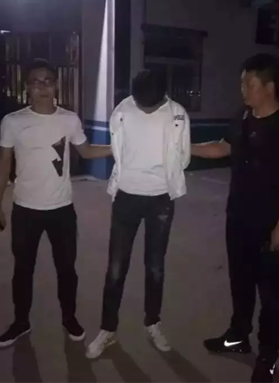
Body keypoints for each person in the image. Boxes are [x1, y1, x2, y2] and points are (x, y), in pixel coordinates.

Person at [191, 54, 279, 383]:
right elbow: (222, 147)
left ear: (269, 87)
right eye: (242, 83)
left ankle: (268, 355)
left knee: (270, 293)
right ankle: (238, 336)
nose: (243, 89)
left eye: (249, 84)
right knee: (240, 283)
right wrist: (184, 147)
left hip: (269, 223)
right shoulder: (242, 117)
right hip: (238, 217)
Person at [0, 58, 112, 348]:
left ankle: (69, 318)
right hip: (25, 209)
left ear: (56, 85)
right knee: (23, 269)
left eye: (48, 81)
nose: (42, 87)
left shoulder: (69, 120)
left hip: (61, 210)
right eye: (36, 82)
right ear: (27, 88)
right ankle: (21, 322)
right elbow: (3, 162)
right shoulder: (13, 122)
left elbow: (86, 151)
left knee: (67, 269)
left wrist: (120, 147)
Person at [85, 70, 191, 359]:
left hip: (161, 199)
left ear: (163, 97)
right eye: (141, 105)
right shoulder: (123, 111)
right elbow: (117, 148)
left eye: (151, 106)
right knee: (116, 267)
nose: (146, 110)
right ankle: (107, 329)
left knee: (155, 266)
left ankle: (152, 323)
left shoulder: (178, 114)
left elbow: (183, 158)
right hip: (126, 197)